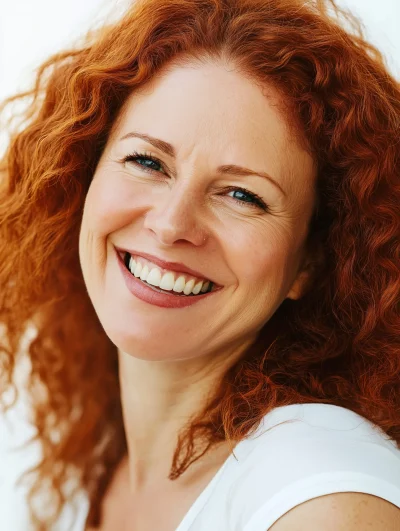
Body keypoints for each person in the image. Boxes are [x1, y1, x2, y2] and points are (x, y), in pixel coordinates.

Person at [0, 0, 399, 529]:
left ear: (312, 263)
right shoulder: (88, 456)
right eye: (146, 161)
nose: (170, 224)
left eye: (241, 195)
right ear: (81, 175)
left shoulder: (320, 500)